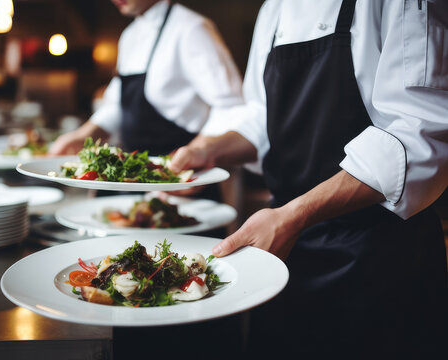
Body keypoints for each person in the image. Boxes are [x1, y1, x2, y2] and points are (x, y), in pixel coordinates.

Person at [170, 0, 448, 357]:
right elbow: (260, 116)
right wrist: (208, 150)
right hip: (284, 251)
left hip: (376, 258)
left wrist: (296, 214)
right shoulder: (274, 8)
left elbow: (420, 131)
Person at [49, 0, 243, 157]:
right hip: (137, 174)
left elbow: (232, 105)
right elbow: (116, 105)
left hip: (184, 179)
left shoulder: (191, 28)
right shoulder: (130, 35)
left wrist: (199, 150)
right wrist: (82, 136)